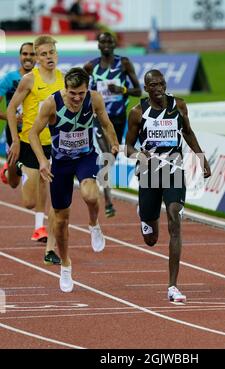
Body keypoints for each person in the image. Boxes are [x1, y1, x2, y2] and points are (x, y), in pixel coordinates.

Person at [29, 67, 119, 293]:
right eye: (72, 93)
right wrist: (42, 161)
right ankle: (66, 265)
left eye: (81, 93)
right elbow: (33, 133)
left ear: (87, 89)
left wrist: (114, 142)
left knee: (90, 194)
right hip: (60, 162)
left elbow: (106, 124)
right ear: (65, 89)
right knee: (60, 220)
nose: (77, 98)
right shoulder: (52, 104)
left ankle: (93, 224)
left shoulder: (94, 99)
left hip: (86, 157)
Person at [125, 69, 211, 303]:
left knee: (175, 219)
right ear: (146, 88)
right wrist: (139, 156)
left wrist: (201, 158)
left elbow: (188, 132)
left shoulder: (179, 106)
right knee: (151, 239)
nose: (159, 88)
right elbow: (128, 147)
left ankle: (173, 286)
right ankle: (144, 214)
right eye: (153, 85)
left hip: (174, 168)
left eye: (161, 83)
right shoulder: (137, 112)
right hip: (149, 171)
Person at [7, 35, 63, 265]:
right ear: (37, 58)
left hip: (56, 144)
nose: (48, 57)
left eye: (51, 53)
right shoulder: (29, 80)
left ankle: (44, 234)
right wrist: (15, 141)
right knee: (28, 202)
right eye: (43, 54)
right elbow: (11, 110)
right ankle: (13, 167)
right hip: (30, 142)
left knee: (50, 190)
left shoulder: (64, 79)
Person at [84, 32, 142, 217]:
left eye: (110, 41)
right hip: (100, 119)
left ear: (114, 44)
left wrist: (121, 89)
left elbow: (138, 91)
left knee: (112, 157)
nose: (107, 44)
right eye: (103, 42)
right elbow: (80, 89)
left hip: (118, 118)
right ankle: (108, 202)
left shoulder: (123, 63)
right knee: (107, 155)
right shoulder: (90, 66)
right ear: (98, 45)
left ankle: (102, 185)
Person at [0, 42, 36, 188]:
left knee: (37, 171)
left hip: (35, 131)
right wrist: (12, 118)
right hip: (15, 131)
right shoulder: (10, 78)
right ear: (20, 56)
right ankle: (7, 170)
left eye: (32, 54)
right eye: (25, 54)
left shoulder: (41, 78)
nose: (28, 57)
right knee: (13, 183)